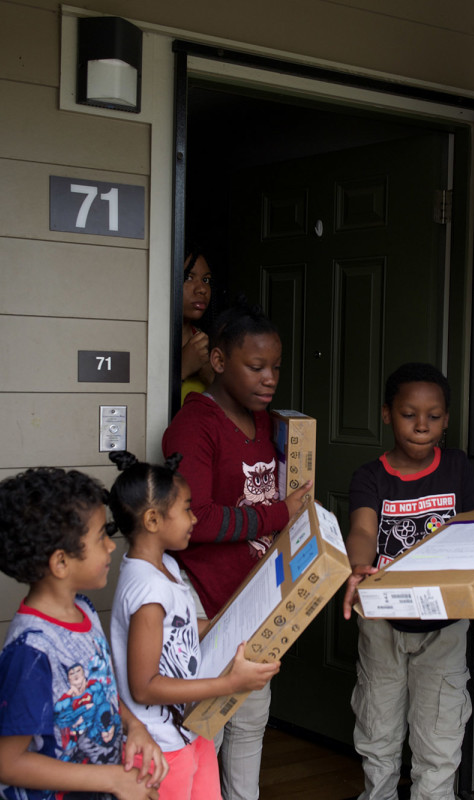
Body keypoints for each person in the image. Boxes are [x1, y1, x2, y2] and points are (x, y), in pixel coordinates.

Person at [162, 301, 313, 800]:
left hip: (254, 595)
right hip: (205, 598)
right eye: (256, 366)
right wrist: (278, 515)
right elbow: (196, 519)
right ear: (221, 361)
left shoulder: (268, 423)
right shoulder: (194, 425)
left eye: (275, 367)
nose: (269, 378)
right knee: (209, 721)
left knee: (251, 716)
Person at [0, 467, 170, 800]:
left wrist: (133, 727)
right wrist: (113, 779)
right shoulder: (31, 653)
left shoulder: (84, 610)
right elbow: (8, 765)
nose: (111, 546)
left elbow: (99, 694)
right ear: (61, 563)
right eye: (100, 537)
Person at [340, 363, 474, 800]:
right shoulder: (371, 476)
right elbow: (364, 531)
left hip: (445, 625)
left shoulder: (458, 468)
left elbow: (471, 526)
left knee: (439, 738)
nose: (422, 426)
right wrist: (358, 567)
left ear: (446, 418)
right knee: (378, 730)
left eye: (434, 416)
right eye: (408, 414)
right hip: (382, 621)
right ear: (386, 414)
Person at [106, 450, 280, 800]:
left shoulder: (166, 566)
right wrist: (228, 683)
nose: (194, 519)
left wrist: (225, 626)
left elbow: (179, 630)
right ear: (154, 520)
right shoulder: (147, 592)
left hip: (187, 731)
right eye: (186, 509)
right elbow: (145, 687)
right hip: (160, 748)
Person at [181, 246, 214, 402]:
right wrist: (182, 369)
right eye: (188, 277)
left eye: (206, 280)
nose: (202, 289)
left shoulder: (209, 345)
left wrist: (210, 376)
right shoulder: (150, 341)